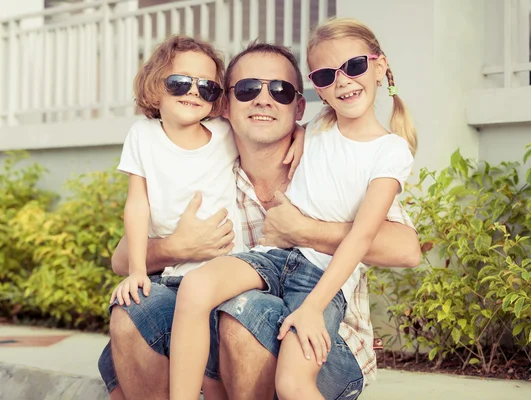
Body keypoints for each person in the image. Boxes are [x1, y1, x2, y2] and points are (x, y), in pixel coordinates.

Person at [98, 41, 421, 400]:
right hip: (221, 335)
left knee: (246, 310)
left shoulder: (329, 152)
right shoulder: (210, 163)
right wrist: (176, 246)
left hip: (323, 346)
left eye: (280, 91)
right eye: (249, 89)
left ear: (299, 107)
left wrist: (305, 231)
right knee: (135, 309)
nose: (264, 100)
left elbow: (407, 250)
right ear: (224, 104)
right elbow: (121, 259)